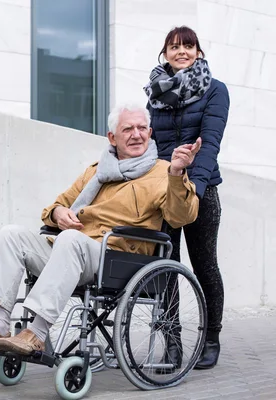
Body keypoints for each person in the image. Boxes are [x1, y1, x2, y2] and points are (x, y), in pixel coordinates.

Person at [0, 104, 200, 356]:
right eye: (128, 129)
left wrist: (177, 173)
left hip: (117, 257)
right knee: (11, 234)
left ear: (150, 132)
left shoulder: (163, 173)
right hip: (72, 251)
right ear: (112, 137)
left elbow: (182, 217)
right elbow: (57, 205)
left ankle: (36, 333)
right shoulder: (96, 170)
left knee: (70, 240)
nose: (136, 134)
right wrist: (59, 214)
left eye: (142, 128)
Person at [144, 26, 229, 370]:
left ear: (199, 52)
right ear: (164, 53)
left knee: (204, 264)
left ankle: (211, 338)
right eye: (174, 46)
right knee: (165, 267)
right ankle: (172, 342)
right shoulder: (155, 94)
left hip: (201, 190)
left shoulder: (215, 90)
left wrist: (197, 188)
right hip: (164, 190)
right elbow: (149, 146)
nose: (182, 51)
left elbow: (209, 143)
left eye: (189, 46)